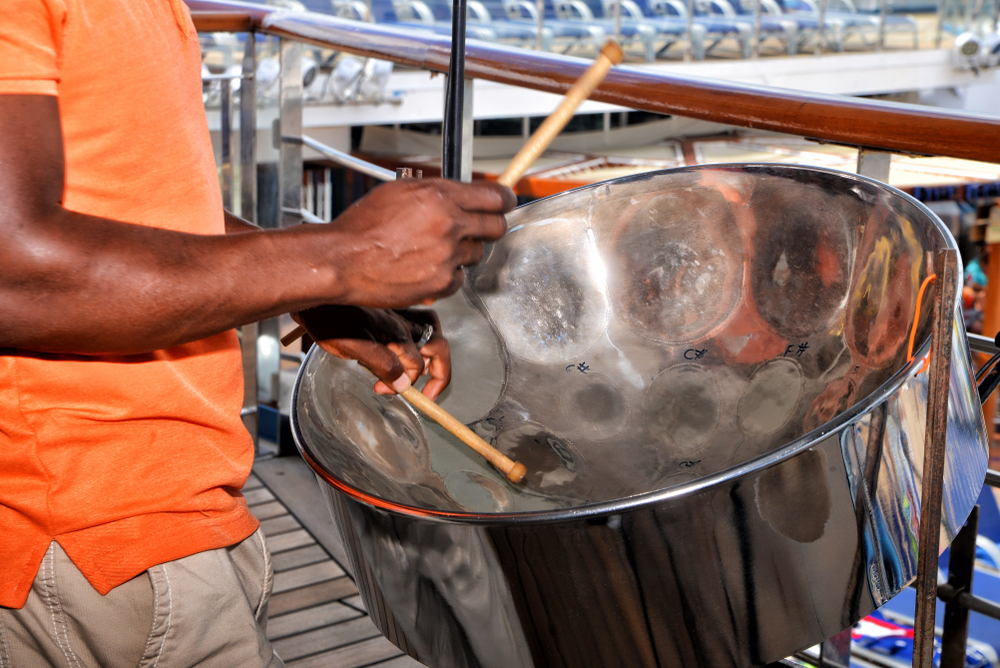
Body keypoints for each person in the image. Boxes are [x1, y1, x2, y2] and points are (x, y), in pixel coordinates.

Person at [0, 0, 516, 665]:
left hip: (162, 506)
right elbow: (12, 275)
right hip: (89, 533)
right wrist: (339, 257)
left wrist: (316, 287)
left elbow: (137, 208)